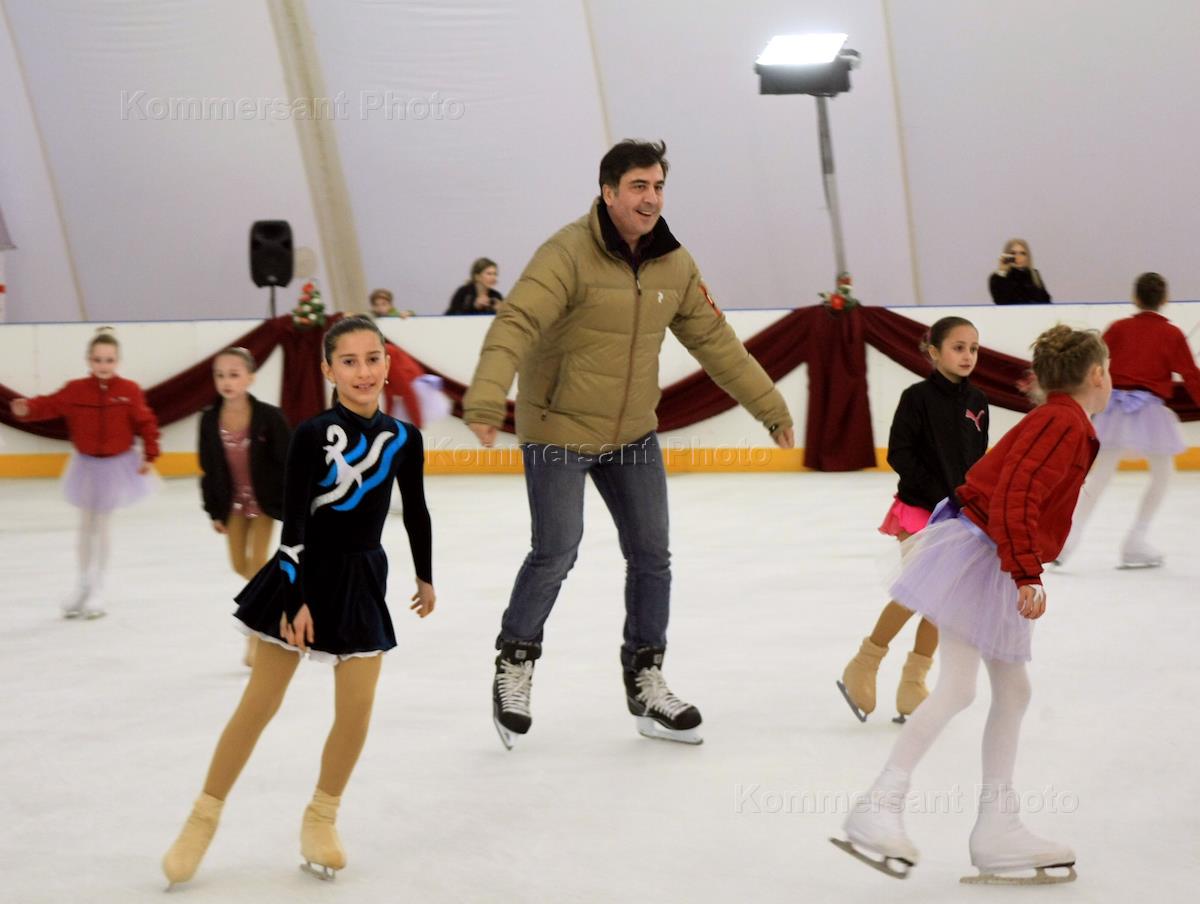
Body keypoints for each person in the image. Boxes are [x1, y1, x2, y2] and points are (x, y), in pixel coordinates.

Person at [462, 139, 795, 749]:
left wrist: (768, 407)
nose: (651, 198)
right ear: (608, 192)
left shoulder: (674, 263)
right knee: (556, 550)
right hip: (558, 427)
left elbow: (716, 343)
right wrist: (487, 398)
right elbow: (518, 321)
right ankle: (515, 661)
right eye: (639, 186)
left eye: (658, 186)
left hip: (632, 433)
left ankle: (645, 677)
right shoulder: (566, 253)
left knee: (652, 554)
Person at [161, 316, 435, 887]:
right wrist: (296, 599)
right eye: (349, 361)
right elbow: (294, 525)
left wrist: (425, 576)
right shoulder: (312, 434)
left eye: (373, 358)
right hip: (302, 573)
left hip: (362, 581)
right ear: (329, 370)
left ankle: (321, 818)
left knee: (356, 709)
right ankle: (201, 819)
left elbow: (416, 509)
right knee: (260, 703)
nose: (363, 371)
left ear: (387, 363)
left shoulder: (404, 438)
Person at [833, 324, 1109, 885]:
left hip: (986, 550)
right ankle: (880, 806)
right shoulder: (1062, 422)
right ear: (1098, 375)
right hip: (983, 553)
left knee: (1011, 690)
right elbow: (1017, 493)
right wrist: (1026, 571)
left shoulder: (1062, 419)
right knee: (961, 688)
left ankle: (995, 827)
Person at [838, 317, 988, 724]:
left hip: (959, 518)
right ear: (934, 352)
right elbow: (899, 454)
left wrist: (974, 501)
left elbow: (978, 461)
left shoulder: (978, 401)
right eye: (958, 347)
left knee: (943, 603)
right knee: (919, 591)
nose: (968, 355)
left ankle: (913, 683)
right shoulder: (916, 398)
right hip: (920, 511)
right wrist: (939, 494)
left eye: (973, 348)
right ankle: (864, 664)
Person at [9, 327, 159, 618]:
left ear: (118, 361)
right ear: (89, 361)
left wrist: (151, 453)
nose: (103, 365)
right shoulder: (76, 389)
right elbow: (50, 404)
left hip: (115, 466)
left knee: (101, 525)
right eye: (98, 360)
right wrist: (27, 408)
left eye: (109, 360)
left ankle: (98, 587)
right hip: (86, 465)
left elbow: (146, 422)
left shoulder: (128, 391)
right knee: (85, 525)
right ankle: (82, 584)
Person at [1057, 272, 1200, 568]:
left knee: (1099, 477)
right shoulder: (1172, 334)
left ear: (1135, 297)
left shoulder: (1119, 328)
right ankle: (1136, 539)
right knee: (1163, 475)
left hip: (1114, 411)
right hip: (1149, 414)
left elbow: (1094, 366)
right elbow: (1191, 376)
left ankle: (1067, 540)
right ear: (1164, 299)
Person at [198, 347, 291, 666]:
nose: (227, 381)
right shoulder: (209, 420)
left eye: (234, 375)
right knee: (241, 565)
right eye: (220, 375)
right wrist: (214, 511)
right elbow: (208, 468)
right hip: (232, 505)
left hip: (265, 504)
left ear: (250, 378)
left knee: (257, 564)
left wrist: (293, 502)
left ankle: (255, 640)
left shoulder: (269, 417)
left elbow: (288, 461)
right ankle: (276, 600)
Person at [988, 239, 1051, 305]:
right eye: (1013, 253)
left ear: (1028, 256)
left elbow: (1046, 301)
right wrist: (1002, 272)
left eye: (1023, 253)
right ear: (1007, 255)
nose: (1018, 257)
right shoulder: (998, 277)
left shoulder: (1034, 274)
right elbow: (1000, 300)